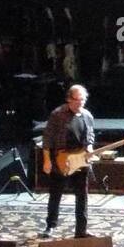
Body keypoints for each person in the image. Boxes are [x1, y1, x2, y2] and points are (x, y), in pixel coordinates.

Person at [41, 84, 94, 238]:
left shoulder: (87, 116)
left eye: (82, 100)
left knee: (82, 195)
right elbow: (48, 138)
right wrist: (47, 160)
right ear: (69, 99)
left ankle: (81, 229)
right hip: (61, 159)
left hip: (80, 159)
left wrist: (90, 147)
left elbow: (90, 137)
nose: (80, 103)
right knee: (55, 193)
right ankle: (50, 225)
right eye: (77, 100)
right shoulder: (57, 114)